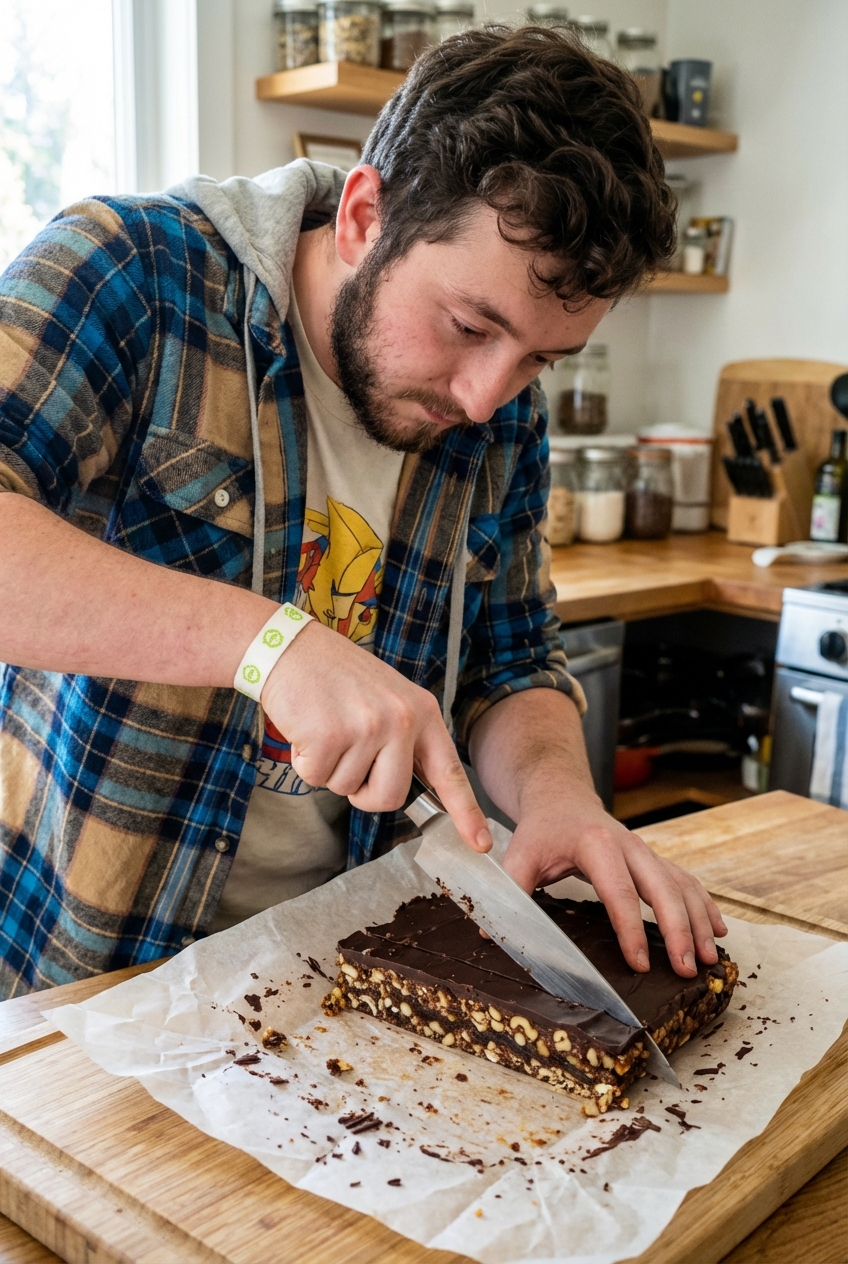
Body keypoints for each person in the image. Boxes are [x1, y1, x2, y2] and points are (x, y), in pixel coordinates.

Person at [0, 25, 725, 999]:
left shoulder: (502, 409)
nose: (484, 396)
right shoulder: (134, 273)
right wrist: (270, 645)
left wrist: (559, 797)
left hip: (333, 970)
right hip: (79, 979)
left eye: (540, 360)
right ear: (361, 214)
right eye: (468, 326)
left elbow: (510, 657)